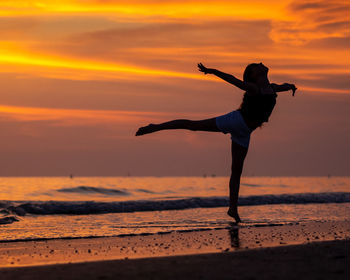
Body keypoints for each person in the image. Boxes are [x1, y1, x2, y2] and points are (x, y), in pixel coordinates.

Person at [135, 62, 297, 223]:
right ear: (253, 75)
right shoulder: (254, 88)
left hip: (245, 132)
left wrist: (291, 86)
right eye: (256, 65)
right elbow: (232, 79)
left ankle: (233, 209)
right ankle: (154, 127)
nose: (261, 63)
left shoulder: (272, 88)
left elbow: (284, 86)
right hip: (235, 121)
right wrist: (212, 71)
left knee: (237, 171)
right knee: (194, 125)